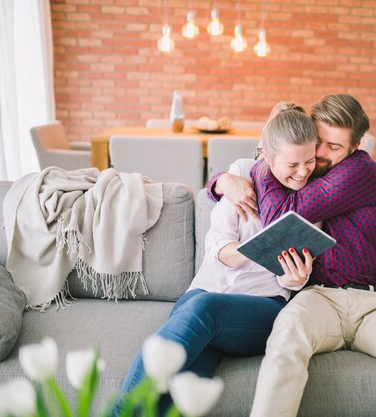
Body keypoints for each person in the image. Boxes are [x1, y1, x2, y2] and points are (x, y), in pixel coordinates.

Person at [209, 94, 376, 417]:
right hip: (319, 300)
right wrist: (221, 181)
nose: (320, 154)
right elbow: (245, 179)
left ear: (356, 147)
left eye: (334, 147)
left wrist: (263, 162)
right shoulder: (306, 168)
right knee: (284, 341)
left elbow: (285, 215)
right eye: (319, 141)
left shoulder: (360, 172)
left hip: (374, 306)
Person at [115, 102, 318, 414]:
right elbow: (220, 243)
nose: (303, 171)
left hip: (263, 304)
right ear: (266, 153)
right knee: (195, 346)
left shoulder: (313, 198)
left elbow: (288, 277)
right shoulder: (241, 174)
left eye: (310, 161)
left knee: (202, 308)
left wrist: (297, 277)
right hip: (207, 288)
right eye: (293, 164)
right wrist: (225, 185)